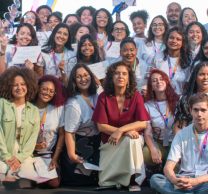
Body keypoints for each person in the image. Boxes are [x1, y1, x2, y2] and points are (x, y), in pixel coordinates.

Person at [150, 93, 208, 194]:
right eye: (196, 110)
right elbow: (168, 167)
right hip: (186, 180)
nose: (199, 114)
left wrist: (196, 181)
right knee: (155, 179)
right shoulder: (181, 135)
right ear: (190, 111)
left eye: (203, 110)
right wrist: (174, 180)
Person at [93, 61, 150, 189]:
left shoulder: (136, 96)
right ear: (111, 77)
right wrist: (123, 132)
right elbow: (101, 126)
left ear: (129, 78)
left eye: (124, 74)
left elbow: (142, 123)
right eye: (117, 73)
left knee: (133, 140)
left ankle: (134, 180)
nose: (120, 76)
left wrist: (121, 131)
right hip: (110, 141)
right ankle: (120, 179)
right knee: (131, 138)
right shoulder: (103, 97)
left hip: (131, 139)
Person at [0, 67, 41, 178]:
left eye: (23, 84)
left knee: (26, 178)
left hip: (23, 153)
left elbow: (32, 139)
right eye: (15, 85)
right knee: (6, 176)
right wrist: (6, 157)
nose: (19, 88)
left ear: (29, 86)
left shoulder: (34, 110)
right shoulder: (1, 104)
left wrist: (19, 158)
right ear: (9, 87)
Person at [61, 64, 102, 186]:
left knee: (99, 179)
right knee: (81, 183)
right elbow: (69, 132)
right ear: (74, 80)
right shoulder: (73, 104)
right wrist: (72, 155)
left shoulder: (99, 93)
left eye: (85, 75)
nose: (83, 79)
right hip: (80, 145)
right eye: (78, 77)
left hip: (97, 142)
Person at [35, 75, 68, 188]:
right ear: (38, 88)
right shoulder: (29, 106)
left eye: (51, 91)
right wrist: (33, 146)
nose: (47, 93)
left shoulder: (58, 108)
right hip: (30, 153)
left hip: (49, 154)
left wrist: (55, 158)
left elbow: (62, 135)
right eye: (44, 89)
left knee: (53, 183)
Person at [143, 69, 179, 170]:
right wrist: (153, 149)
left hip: (175, 142)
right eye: (154, 80)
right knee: (147, 153)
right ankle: (153, 169)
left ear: (167, 82)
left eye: (161, 79)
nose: (158, 82)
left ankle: (165, 169)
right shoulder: (147, 106)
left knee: (176, 172)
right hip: (158, 142)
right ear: (151, 87)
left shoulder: (178, 102)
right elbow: (147, 131)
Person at [151, 27, 193, 96]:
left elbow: (187, 85)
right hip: (161, 98)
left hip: (179, 99)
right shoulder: (157, 58)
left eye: (178, 39)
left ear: (183, 43)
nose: (174, 41)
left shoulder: (188, 61)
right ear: (167, 39)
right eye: (171, 37)